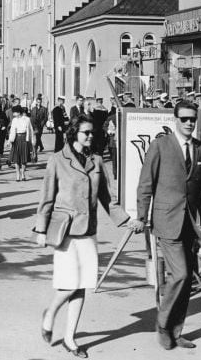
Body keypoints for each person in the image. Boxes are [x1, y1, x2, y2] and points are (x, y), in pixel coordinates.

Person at [33, 115, 130, 358]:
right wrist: (41, 229)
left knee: (83, 284)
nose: (90, 136)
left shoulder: (97, 161)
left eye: (92, 133)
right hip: (66, 231)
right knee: (69, 284)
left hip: (89, 231)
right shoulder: (58, 160)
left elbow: (107, 198)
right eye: (85, 132)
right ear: (73, 133)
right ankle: (51, 313)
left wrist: (126, 220)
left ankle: (70, 338)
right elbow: (46, 197)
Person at [129, 100, 201, 351]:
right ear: (175, 120)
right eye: (184, 119)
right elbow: (146, 184)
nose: (189, 123)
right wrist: (142, 216)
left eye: (192, 119)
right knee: (181, 274)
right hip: (167, 221)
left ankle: (177, 332)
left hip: (191, 224)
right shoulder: (161, 145)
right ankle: (163, 324)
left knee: (187, 280)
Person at [8, 105, 35, 181]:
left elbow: (31, 130)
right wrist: (10, 141)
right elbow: (12, 131)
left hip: (24, 139)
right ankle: (17, 174)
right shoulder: (14, 120)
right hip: (16, 139)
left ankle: (23, 173)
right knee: (16, 158)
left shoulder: (27, 119)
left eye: (14, 112)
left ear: (19, 112)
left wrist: (32, 141)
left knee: (24, 158)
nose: (13, 114)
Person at [103, 105, 118, 179]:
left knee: (116, 159)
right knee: (115, 159)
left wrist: (109, 131)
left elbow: (104, 126)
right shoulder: (111, 117)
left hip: (118, 142)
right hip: (115, 142)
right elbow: (105, 126)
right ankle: (116, 174)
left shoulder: (124, 117)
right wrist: (109, 131)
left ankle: (117, 174)